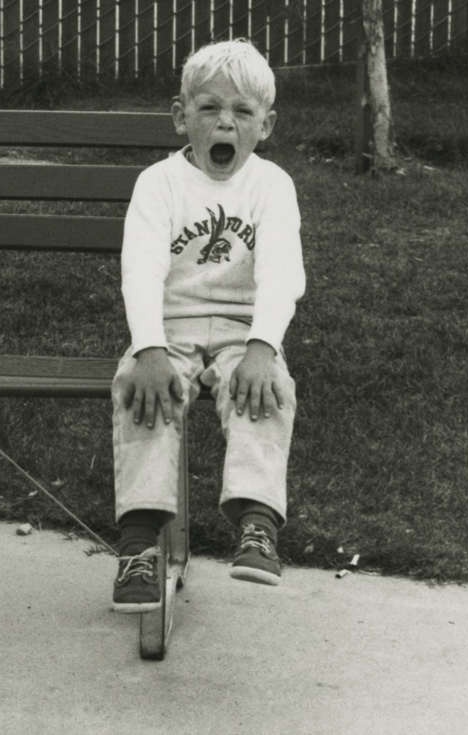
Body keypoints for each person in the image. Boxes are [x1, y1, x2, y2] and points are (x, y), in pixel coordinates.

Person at [109, 39, 305, 612]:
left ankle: (257, 521)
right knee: (144, 396)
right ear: (181, 117)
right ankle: (140, 545)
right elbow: (140, 271)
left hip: (245, 329)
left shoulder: (273, 186)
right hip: (169, 326)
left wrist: (264, 348)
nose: (225, 122)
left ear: (265, 126)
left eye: (242, 112)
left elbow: (281, 275)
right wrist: (147, 351)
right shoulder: (159, 184)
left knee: (266, 392)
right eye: (209, 109)